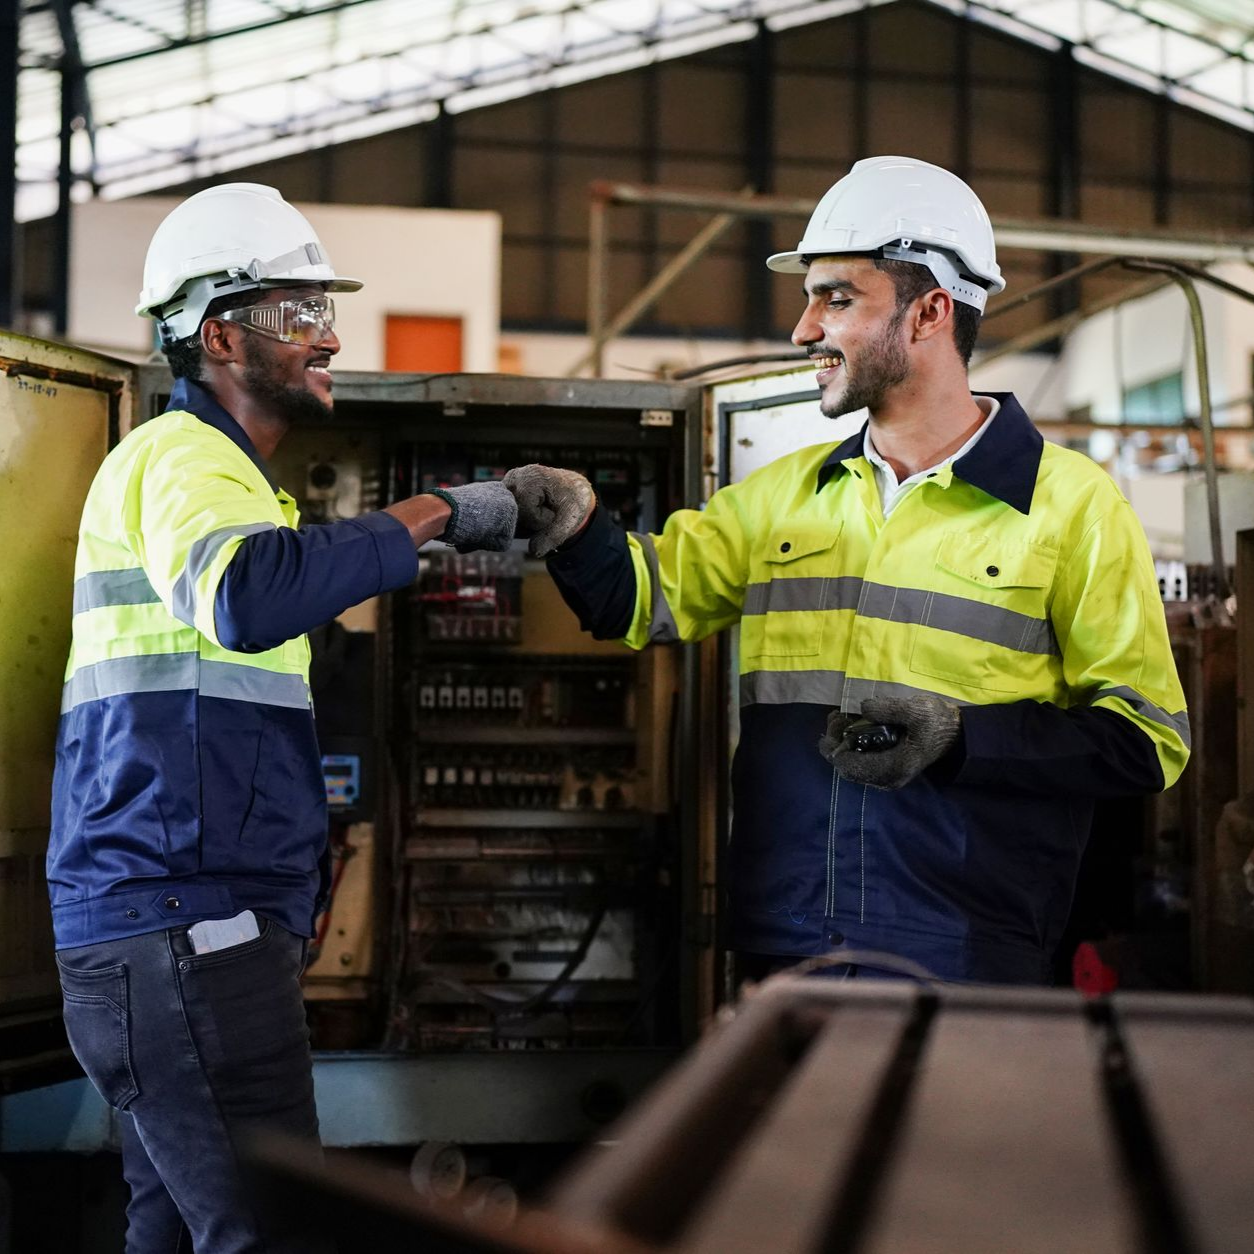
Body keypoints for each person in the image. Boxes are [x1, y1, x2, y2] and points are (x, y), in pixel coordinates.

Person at [504, 155, 1190, 986]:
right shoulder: (787, 498)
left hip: (963, 949)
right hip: (786, 937)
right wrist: (575, 527)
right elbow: (638, 599)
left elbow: (1145, 742)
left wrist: (962, 738)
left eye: (836, 298)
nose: (803, 329)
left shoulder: (1073, 507)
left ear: (931, 310)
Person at [47, 182, 518, 1253]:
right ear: (219, 333)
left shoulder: (236, 485)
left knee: (175, 1230)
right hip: (181, 923)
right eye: (299, 314)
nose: (331, 336)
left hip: (179, 922)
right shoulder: (182, 459)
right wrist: (437, 512)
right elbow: (248, 595)